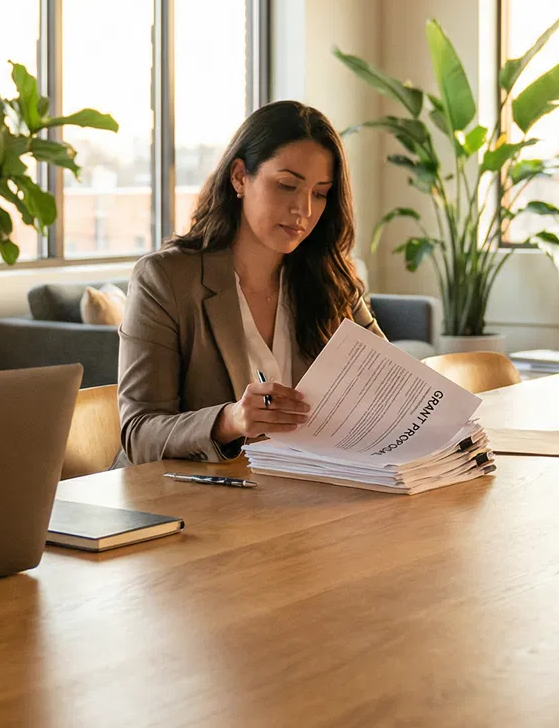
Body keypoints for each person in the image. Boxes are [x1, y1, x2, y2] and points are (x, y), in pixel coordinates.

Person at [118, 100, 382, 464]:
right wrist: (230, 420)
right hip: (193, 502)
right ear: (240, 176)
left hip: (301, 495)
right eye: (287, 185)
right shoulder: (165, 280)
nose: (303, 210)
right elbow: (139, 433)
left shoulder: (332, 280)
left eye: (319, 193)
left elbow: (389, 382)